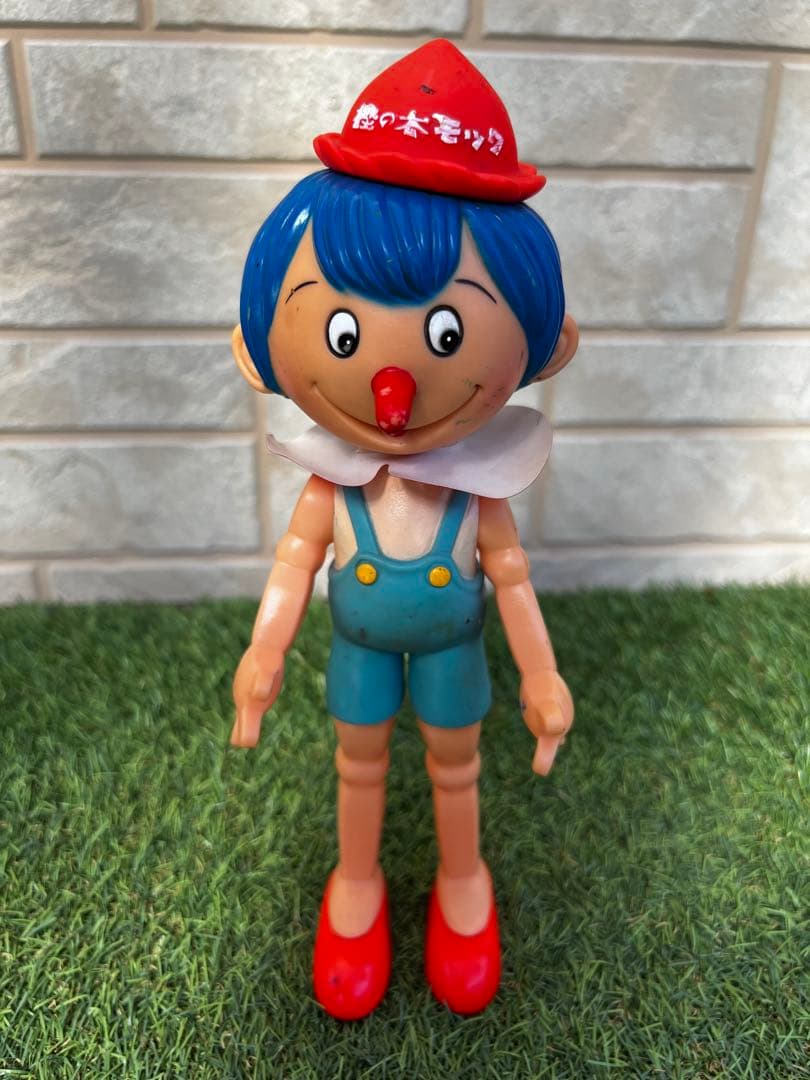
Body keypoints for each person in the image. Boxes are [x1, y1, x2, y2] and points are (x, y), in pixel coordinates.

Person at [229, 39, 578, 1020]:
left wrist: (542, 673)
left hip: (454, 647)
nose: (393, 389)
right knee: (360, 759)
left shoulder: (477, 489)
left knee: (456, 762)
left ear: (547, 344)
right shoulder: (331, 484)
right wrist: (264, 648)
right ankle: (357, 880)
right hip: (360, 647)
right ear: (259, 345)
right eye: (340, 333)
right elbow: (295, 562)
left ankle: (463, 878)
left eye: (447, 334)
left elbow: (511, 578)